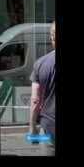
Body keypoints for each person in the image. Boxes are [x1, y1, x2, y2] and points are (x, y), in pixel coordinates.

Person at [29, 21, 56, 155]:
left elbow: (35, 100)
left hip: (48, 126)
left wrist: (32, 127)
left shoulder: (40, 64)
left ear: (52, 37)